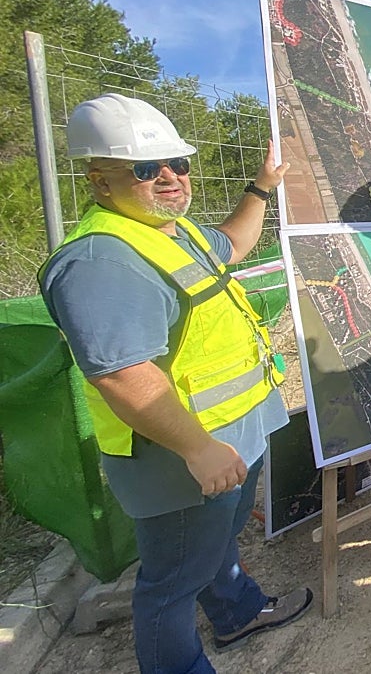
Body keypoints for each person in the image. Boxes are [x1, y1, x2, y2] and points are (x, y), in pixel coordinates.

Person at [39, 93, 311, 674]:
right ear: (99, 180)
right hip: (180, 454)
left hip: (228, 437)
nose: (169, 177)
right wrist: (198, 448)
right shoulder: (101, 261)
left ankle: (236, 612)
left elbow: (232, 244)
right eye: (145, 168)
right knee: (172, 582)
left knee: (215, 547)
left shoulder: (170, 232)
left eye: (177, 163)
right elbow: (121, 374)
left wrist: (261, 188)